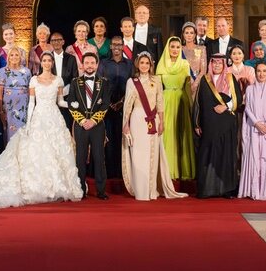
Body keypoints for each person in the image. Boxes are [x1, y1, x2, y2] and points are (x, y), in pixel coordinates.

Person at [0, 52, 82, 209]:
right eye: (44, 60)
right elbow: (31, 103)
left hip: (54, 118)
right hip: (39, 118)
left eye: (49, 60)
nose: (47, 63)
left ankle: (57, 186)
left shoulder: (58, 80)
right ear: (41, 63)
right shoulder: (34, 80)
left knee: (56, 151)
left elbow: (60, 102)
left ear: (52, 63)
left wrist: (72, 105)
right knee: (39, 152)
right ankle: (40, 186)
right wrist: (29, 123)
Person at [121, 52, 187, 201]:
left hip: (153, 119)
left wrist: (162, 121)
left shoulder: (157, 80)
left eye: (147, 63)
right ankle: (141, 191)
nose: (144, 66)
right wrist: (126, 125)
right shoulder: (132, 82)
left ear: (151, 65)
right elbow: (127, 106)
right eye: (142, 63)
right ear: (138, 64)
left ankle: (151, 191)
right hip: (137, 119)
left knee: (152, 154)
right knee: (139, 155)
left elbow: (160, 101)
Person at [194, 54, 244, 198]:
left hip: (226, 125)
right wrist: (196, 123)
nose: (216, 66)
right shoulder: (205, 80)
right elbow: (198, 103)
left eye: (219, 63)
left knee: (226, 155)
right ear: (210, 64)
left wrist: (226, 106)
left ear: (224, 65)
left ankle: (226, 190)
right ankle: (207, 190)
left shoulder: (230, 78)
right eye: (214, 63)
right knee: (207, 155)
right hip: (209, 125)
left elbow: (238, 99)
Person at [67, 53, 110, 199]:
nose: (90, 65)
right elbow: (71, 104)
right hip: (81, 126)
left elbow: (105, 104)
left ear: (97, 65)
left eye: (93, 63)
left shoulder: (103, 82)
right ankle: (81, 189)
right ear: (82, 65)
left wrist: (93, 120)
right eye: (87, 63)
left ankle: (101, 190)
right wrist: (82, 121)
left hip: (97, 126)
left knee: (99, 157)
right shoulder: (75, 82)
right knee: (80, 158)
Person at [239, 61, 266, 200]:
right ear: (255, 72)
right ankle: (254, 190)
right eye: (258, 71)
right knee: (255, 157)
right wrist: (257, 123)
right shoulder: (250, 89)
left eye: (264, 71)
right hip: (254, 128)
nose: (261, 73)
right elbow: (248, 109)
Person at [156, 36, 196, 180]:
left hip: (181, 101)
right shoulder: (161, 65)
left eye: (178, 47)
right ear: (168, 48)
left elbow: (188, 86)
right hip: (166, 101)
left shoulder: (185, 64)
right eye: (172, 46)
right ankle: (167, 172)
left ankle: (183, 170)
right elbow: (158, 89)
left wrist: (192, 108)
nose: (175, 49)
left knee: (182, 135)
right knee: (168, 134)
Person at [100, 36, 132, 178]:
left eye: (120, 45)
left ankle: (123, 171)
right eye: (114, 45)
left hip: (125, 106)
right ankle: (111, 172)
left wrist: (122, 102)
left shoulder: (130, 64)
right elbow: (99, 85)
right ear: (111, 47)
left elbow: (133, 85)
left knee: (123, 139)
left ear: (123, 46)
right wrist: (109, 103)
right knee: (109, 139)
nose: (117, 47)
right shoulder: (104, 64)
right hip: (107, 107)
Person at [0, 46, 32, 143]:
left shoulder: (27, 71)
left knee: (23, 131)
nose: (14, 57)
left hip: (23, 107)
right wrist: (0, 111)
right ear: (8, 57)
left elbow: (30, 90)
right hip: (9, 108)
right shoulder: (3, 71)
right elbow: (0, 93)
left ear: (20, 57)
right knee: (10, 132)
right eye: (11, 55)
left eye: (16, 55)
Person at [180, 22, 207, 91]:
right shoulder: (179, 49)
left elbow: (203, 71)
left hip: (196, 86)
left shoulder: (202, 49)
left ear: (195, 35)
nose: (189, 35)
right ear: (183, 35)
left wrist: (195, 85)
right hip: (181, 85)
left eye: (191, 33)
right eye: (187, 33)